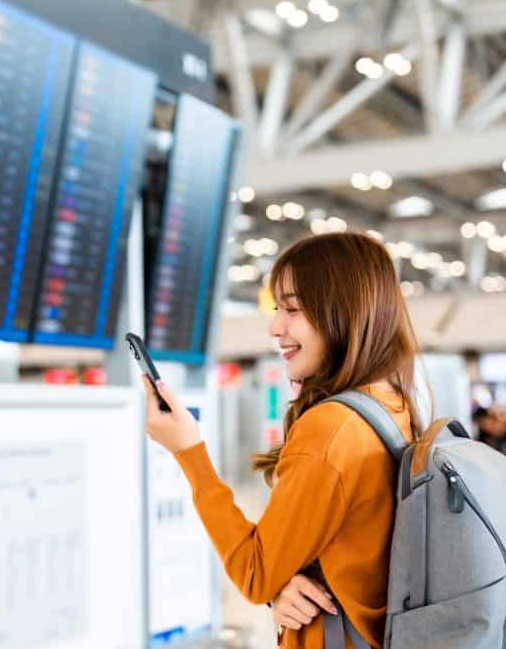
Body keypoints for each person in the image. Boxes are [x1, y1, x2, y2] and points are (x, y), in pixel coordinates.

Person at [144, 231, 425, 648]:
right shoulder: (396, 405)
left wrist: (188, 451)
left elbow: (256, 572)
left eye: (292, 309)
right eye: (278, 308)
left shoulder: (332, 428)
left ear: (343, 313)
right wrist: (289, 582)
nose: (276, 327)